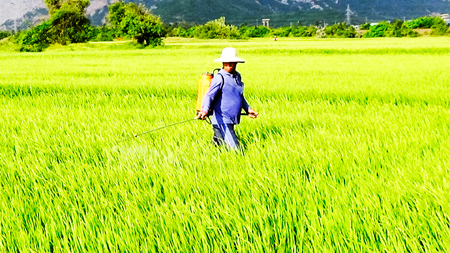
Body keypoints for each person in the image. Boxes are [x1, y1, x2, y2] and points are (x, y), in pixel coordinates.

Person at [196, 47, 259, 150]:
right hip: (222, 119)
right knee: (236, 150)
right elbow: (209, 95)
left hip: (232, 119)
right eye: (226, 62)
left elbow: (239, 96)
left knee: (219, 148)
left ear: (236, 63)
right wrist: (204, 110)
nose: (229, 65)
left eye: (231, 62)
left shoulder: (237, 77)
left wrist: (248, 109)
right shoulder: (219, 77)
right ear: (223, 62)